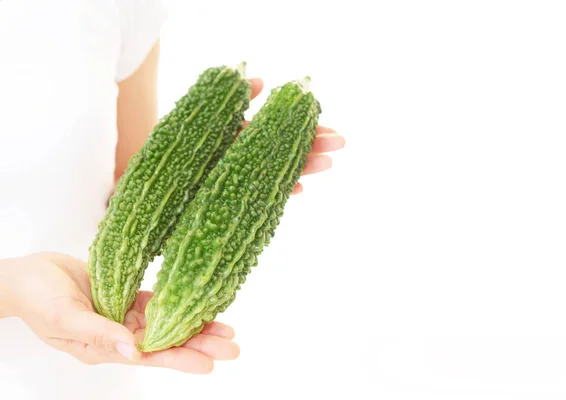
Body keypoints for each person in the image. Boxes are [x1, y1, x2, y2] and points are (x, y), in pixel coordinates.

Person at [0, 1, 345, 399]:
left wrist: (239, 176)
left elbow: (133, 180)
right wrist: (12, 288)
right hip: (55, 326)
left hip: (95, 340)